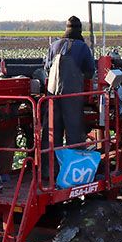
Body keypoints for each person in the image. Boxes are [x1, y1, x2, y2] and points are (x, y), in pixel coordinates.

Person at [42, 16, 96, 151]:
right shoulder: (82, 47)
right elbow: (90, 71)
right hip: (71, 95)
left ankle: (49, 167)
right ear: (80, 30)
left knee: (51, 131)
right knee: (74, 131)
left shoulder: (53, 45)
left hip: (52, 94)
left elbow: (47, 68)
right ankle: (75, 167)